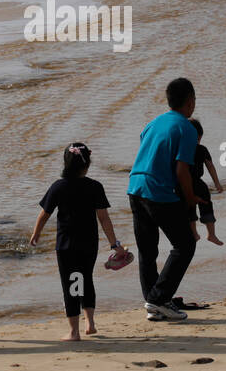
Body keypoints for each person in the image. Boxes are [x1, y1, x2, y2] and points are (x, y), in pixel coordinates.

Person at [30, 143, 127, 341]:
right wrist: (113, 244)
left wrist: (36, 233)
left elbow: (44, 214)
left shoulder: (58, 186)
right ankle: (90, 322)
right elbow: (104, 218)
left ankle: (74, 331)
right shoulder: (95, 187)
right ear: (87, 164)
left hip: (66, 245)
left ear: (66, 163)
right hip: (89, 244)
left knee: (71, 283)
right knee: (85, 278)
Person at [127, 77, 201, 321]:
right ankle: (158, 299)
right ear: (190, 102)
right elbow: (182, 171)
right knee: (185, 244)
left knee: (147, 250)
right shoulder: (186, 128)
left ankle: (153, 302)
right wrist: (190, 199)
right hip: (157, 191)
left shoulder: (152, 123)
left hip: (135, 187)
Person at [187, 119, 224, 246]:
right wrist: (217, 183)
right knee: (207, 206)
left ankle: (194, 233)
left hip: (184, 184)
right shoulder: (202, 149)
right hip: (198, 184)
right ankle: (211, 234)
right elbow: (210, 166)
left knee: (189, 210)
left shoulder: (180, 149)